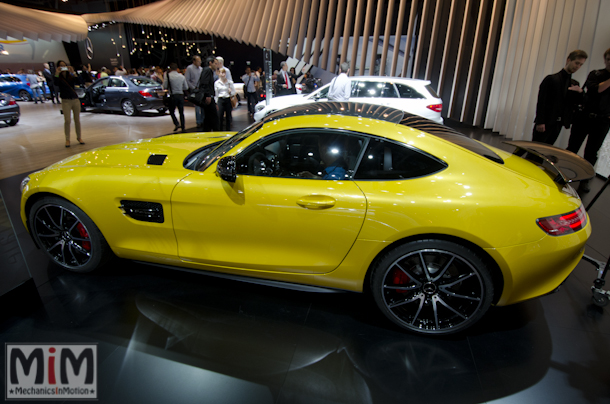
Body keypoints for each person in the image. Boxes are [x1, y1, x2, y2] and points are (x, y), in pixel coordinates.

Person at [567, 48, 610, 192]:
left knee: (591, 153)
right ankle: (563, 173)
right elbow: (595, 90)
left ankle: (585, 181)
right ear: (605, 60)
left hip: (603, 121)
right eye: (609, 59)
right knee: (573, 147)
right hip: (585, 117)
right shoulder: (596, 74)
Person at [532, 50, 588, 146]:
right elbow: (542, 101)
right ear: (568, 60)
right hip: (546, 122)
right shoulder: (551, 79)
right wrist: (540, 121)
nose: (578, 67)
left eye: (581, 65)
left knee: (545, 150)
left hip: (559, 124)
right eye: (576, 63)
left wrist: (580, 92)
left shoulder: (575, 84)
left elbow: (576, 103)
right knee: (534, 149)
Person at [54, 60, 84, 148]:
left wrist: (73, 72)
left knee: (77, 120)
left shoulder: (70, 76)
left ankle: (79, 137)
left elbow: (79, 81)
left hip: (75, 99)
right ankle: (67, 139)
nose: (63, 68)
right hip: (65, 100)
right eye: (61, 66)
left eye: (64, 66)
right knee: (67, 120)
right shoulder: (58, 77)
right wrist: (57, 73)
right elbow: (55, 84)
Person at [163, 63, 189, 132]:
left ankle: (176, 123)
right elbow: (186, 87)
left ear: (170, 69)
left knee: (171, 111)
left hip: (173, 95)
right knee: (181, 112)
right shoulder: (181, 76)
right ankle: (183, 126)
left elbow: (165, 86)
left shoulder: (168, 76)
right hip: (180, 95)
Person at [198, 56, 219, 131]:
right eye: (215, 63)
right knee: (213, 117)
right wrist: (208, 95)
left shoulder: (207, 70)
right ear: (210, 63)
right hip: (208, 97)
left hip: (209, 96)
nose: (217, 65)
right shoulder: (207, 70)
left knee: (208, 117)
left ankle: (207, 132)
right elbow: (204, 83)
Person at [185, 56, 204, 128]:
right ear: (194, 61)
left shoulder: (201, 69)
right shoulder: (190, 68)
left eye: (200, 61)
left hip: (201, 89)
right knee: (197, 106)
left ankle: (203, 120)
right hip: (194, 90)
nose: (200, 62)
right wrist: (193, 87)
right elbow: (187, 79)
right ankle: (198, 121)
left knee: (202, 105)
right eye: (198, 61)